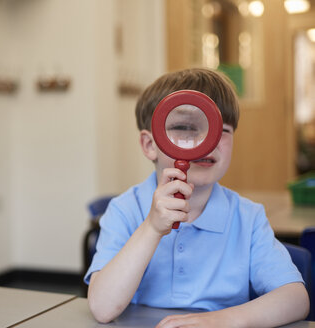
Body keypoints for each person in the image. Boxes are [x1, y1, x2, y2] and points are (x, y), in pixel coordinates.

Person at [84, 68, 309, 327]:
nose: (206, 140)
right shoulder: (125, 210)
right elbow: (102, 309)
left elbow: (296, 299)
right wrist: (152, 228)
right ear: (150, 145)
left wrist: (222, 320)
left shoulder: (248, 218)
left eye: (221, 130)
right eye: (184, 127)